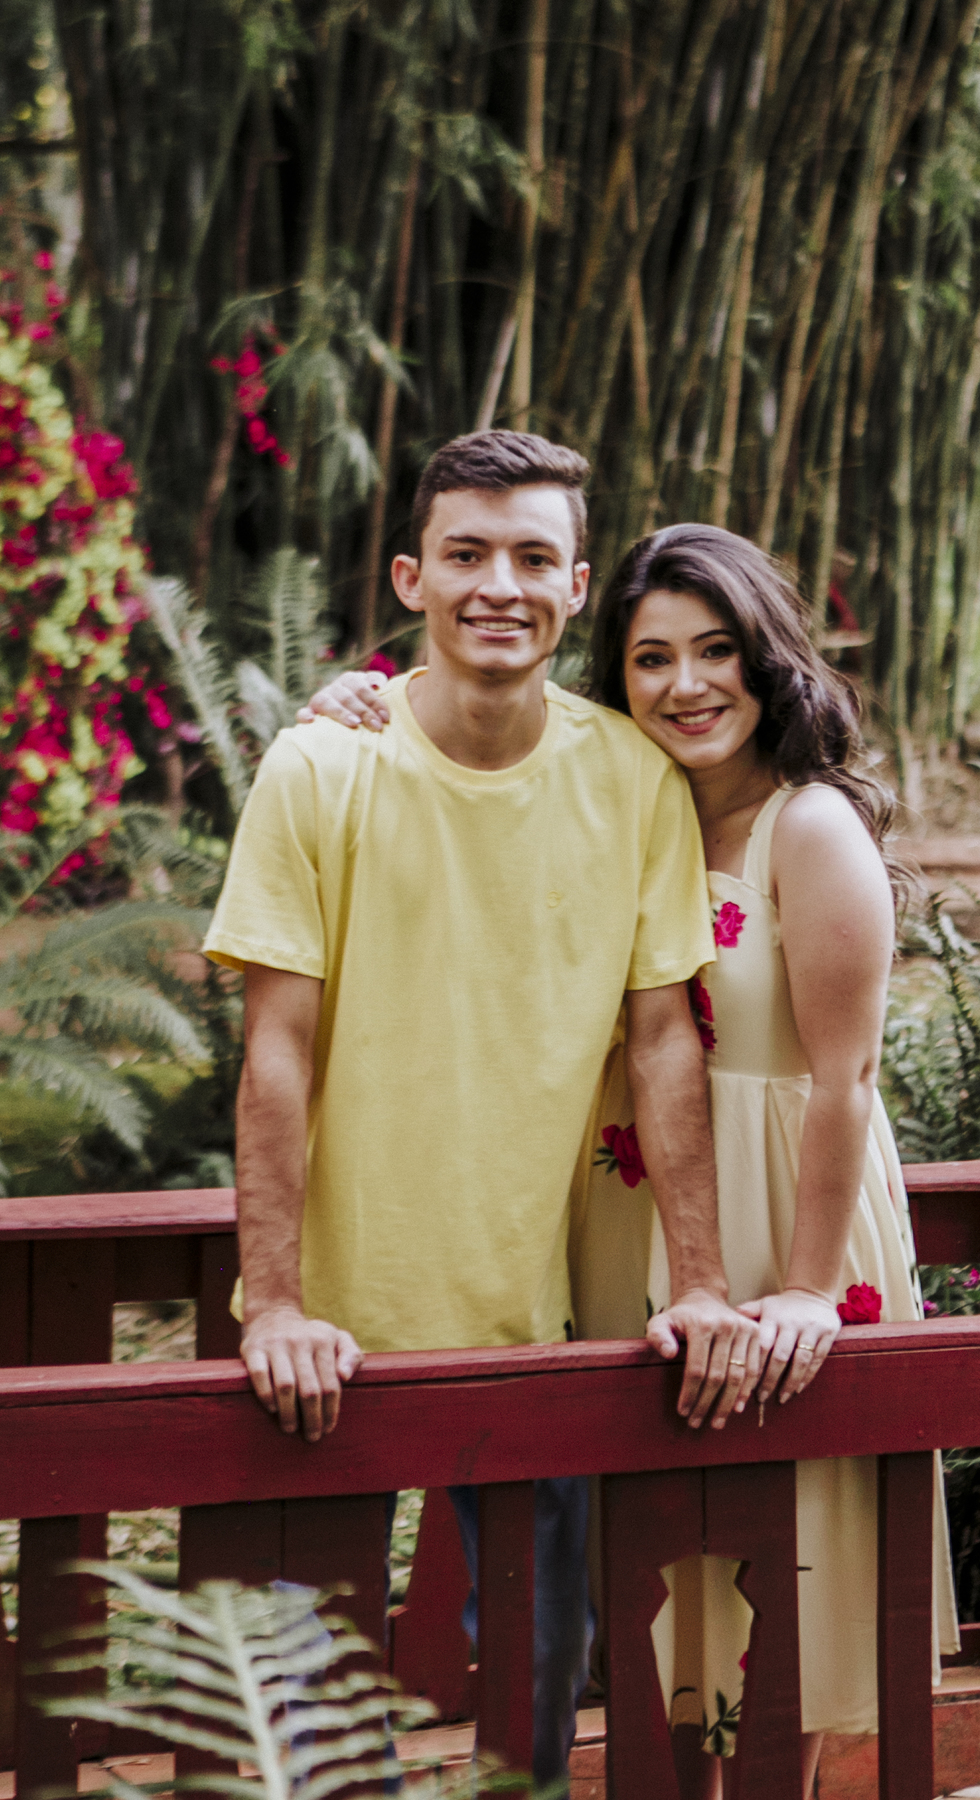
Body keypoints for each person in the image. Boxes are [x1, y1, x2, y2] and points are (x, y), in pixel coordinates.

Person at [309, 522, 959, 1800]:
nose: (686, 684)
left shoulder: (809, 827)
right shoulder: (605, 806)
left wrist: (807, 1292)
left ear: (767, 659)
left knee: (782, 1574)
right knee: (664, 1584)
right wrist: (360, 704)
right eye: (652, 658)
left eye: (716, 650)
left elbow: (844, 1080)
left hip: (781, 1229)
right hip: (630, 1221)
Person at [203, 434, 765, 1794]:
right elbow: (276, 1051)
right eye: (466, 554)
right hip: (328, 1336)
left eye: (531, 558)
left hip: (539, 1317)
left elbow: (662, 1044)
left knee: (534, 1711)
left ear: (576, 584)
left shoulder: (632, 778)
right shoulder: (319, 769)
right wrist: (273, 1303)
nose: (497, 585)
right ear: (413, 578)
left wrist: (700, 1283)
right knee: (306, 1727)